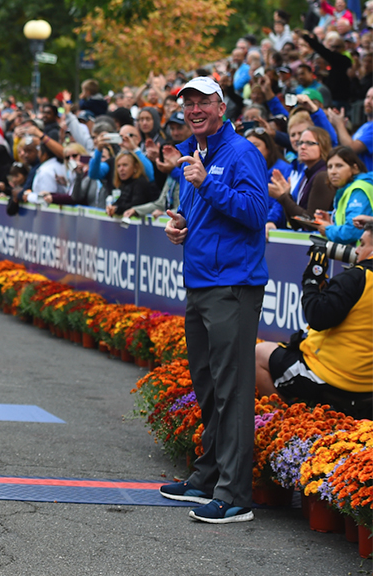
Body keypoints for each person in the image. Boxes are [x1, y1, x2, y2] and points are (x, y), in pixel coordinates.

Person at [160, 77, 269, 524]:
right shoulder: (198, 153)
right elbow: (201, 211)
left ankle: (235, 494)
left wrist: (207, 185)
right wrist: (180, 226)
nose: (195, 108)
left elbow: (256, 212)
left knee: (233, 388)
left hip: (234, 285)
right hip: (201, 281)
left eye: (204, 100)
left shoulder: (243, 153)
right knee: (206, 383)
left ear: (222, 107)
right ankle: (208, 475)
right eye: (188, 102)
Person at [255, 224, 372, 418]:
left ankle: (285, 428)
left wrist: (312, 280)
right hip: (368, 384)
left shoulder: (357, 277)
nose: (357, 250)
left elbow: (317, 317)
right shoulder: (357, 279)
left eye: (363, 244)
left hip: (334, 378)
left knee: (259, 353)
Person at [268, 126, 336, 228]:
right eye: (300, 143)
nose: (302, 147)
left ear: (323, 146)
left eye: (309, 143)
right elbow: (296, 223)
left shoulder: (322, 175)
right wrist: (287, 195)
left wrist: (282, 197)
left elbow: (311, 222)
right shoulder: (306, 174)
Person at [312, 146, 373, 243]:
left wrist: (328, 229)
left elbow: (351, 232)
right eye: (329, 167)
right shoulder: (347, 189)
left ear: (355, 168)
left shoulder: (359, 189)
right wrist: (332, 220)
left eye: (339, 166)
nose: (333, 172)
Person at [107, 151, 157, 218]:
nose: (121, 169)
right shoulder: (125, 183)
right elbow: (120, 201)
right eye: (118, 166)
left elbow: (136, 205)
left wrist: (117, 209)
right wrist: (111, 207)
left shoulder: (141, 182)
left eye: (125, 165)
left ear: (135, 167)